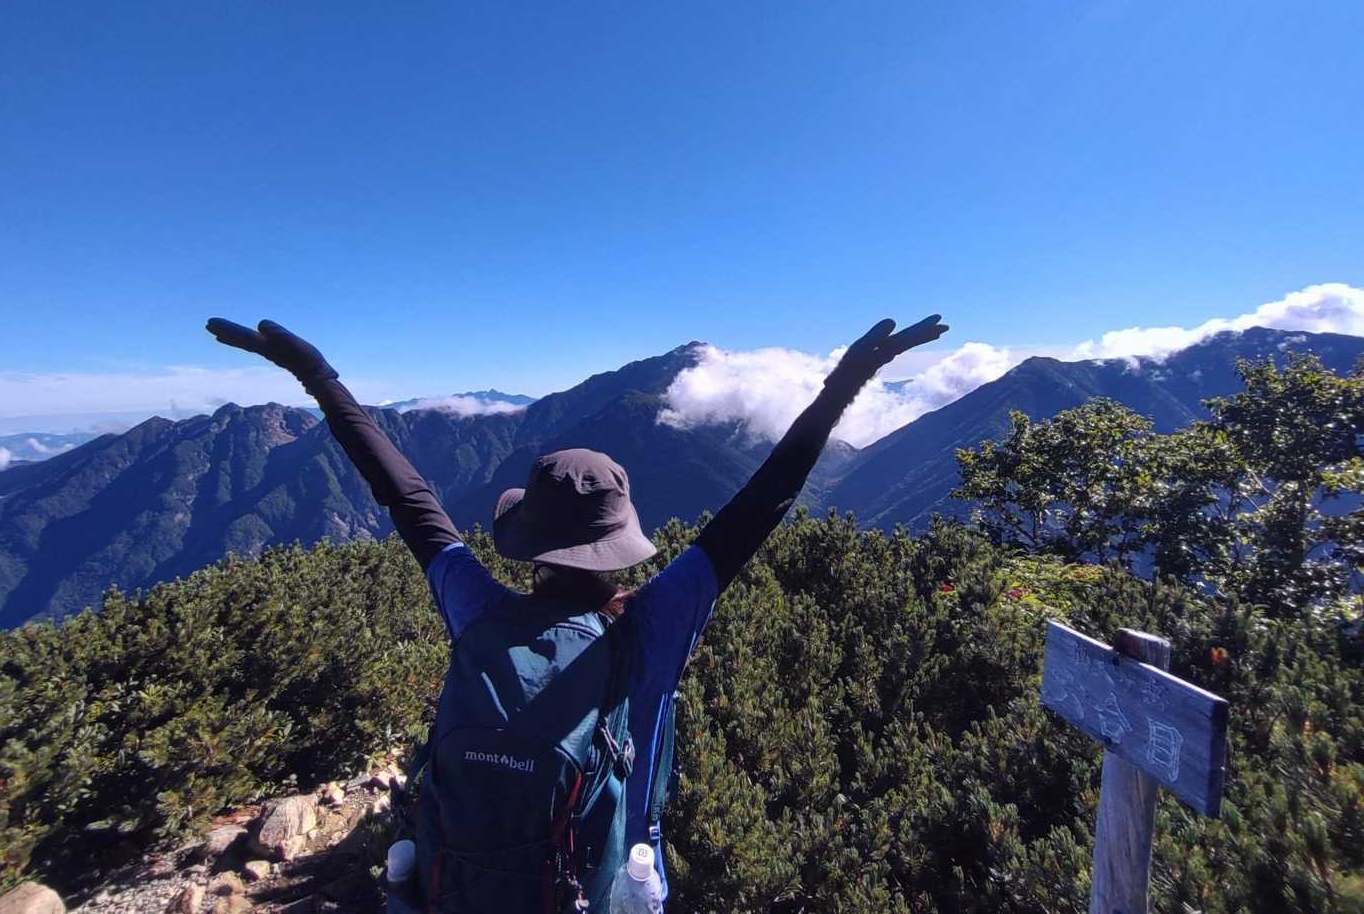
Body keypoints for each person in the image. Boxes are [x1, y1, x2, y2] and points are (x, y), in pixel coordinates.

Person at [205, 312, 948, 908]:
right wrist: (846, 382)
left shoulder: (477, 610)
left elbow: (407, 498)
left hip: (460, 885)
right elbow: (763, 501)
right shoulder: (655, 625)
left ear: (528, 540)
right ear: (622, 540)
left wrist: (319, 378)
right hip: (607, 885)